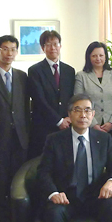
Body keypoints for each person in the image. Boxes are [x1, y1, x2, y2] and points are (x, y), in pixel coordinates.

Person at [37, 94, 112, 222]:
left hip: (94, 196)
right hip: (65, 197)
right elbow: (43, 172)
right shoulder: (55, 140)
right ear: (69, 114)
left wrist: (111, 182)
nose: (83, 115)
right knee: (54, 214)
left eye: (87, 110)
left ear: (93, 115)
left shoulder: (104, 139)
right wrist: (54, 193)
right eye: (77, 110)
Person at [0, 35, 30, 222]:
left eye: (13, 49)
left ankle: (18, 218)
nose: (9, 53)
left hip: (20, 138)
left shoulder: (22, 76)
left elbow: (25, 108)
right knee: (0, 182)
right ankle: (3, 221)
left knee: (18, 180)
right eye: (5, 49)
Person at [28, 30, 75, 159]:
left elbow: (72, 97)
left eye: (55, 44)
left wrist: (69, 118)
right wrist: (58, 121)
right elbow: (39, 100)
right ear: (43, 48)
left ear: (60, 46)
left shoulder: (69, 71)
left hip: (67, 126)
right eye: (48, 44)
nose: (53, 48)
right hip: (44, 126)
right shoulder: (35, 71)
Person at [74, 41, 112, 148]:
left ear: (105, 57)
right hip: (89, 127)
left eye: (101, 55)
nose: (98, 58)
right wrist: (93, 124)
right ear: (89, 57)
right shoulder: (81, 76)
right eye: (94, 56)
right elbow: (79, 101)